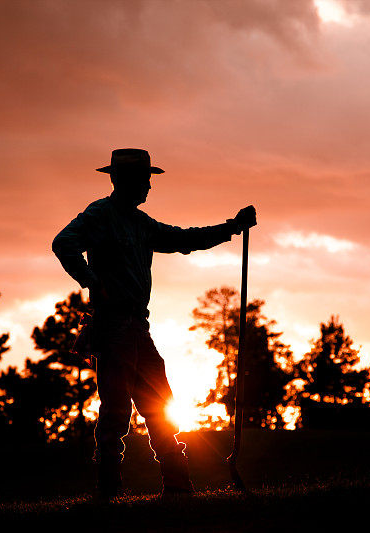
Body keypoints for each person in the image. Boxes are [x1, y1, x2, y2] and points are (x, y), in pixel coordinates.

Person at [52, 148, 256, 500]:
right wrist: (90, 280)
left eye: (149, 179)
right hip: (113, 326)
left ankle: (176, 487)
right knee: (117, 410)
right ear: (123, 180)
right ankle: (110, 490)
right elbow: (63, 243)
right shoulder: (99, 215)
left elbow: (183, 239)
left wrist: (231, 228)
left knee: (158, 403)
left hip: (136, 328)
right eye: (144, 179)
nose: (149, 185)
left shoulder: (141, 224)